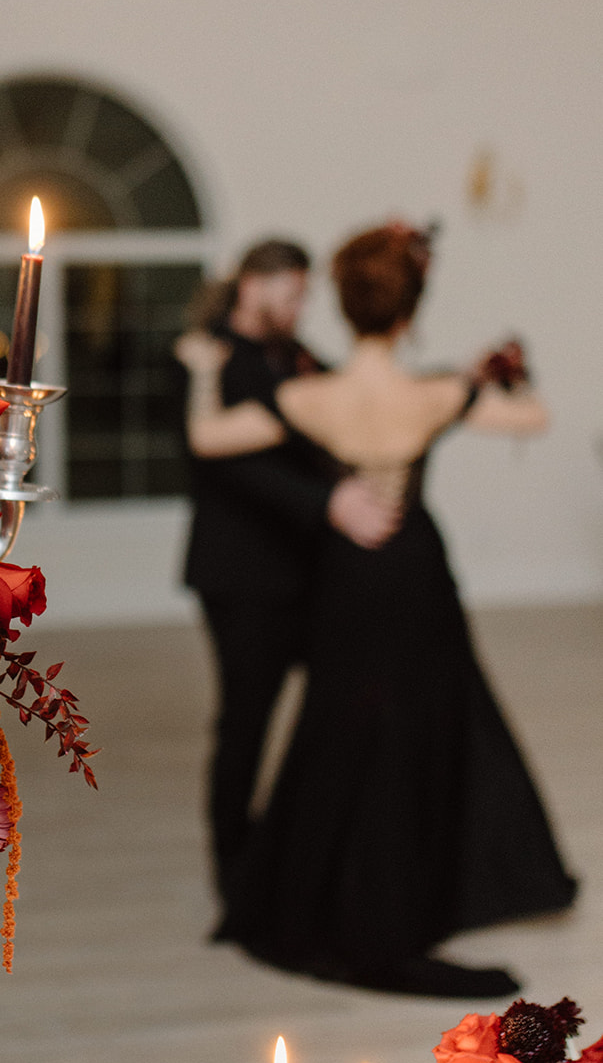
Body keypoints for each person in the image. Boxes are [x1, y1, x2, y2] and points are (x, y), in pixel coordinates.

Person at [182, 222, 577, 998]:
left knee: (339, 725)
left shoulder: (307, 392)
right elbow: (531, 418)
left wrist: (203, 372)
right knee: (420, 725)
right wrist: (513, 372)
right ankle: (420, 880)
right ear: (407, 313)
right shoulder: (432, 392)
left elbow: (208, 436)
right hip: (415, 574)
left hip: (344, 580)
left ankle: (329, 878)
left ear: (343, 303)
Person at [176, 240, 400, 917]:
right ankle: (233, 869)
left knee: (342, 705)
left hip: (308, 572)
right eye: (292, 293)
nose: (301, 307)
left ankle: (309, 850)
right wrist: (324, 502)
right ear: (252, 284)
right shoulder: (202, 357)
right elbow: (220, 465)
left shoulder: (293, 356)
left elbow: (336, 408)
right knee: (245, 721)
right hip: (240, 577)